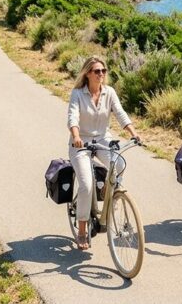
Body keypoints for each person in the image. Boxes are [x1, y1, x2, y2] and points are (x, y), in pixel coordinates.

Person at [67, 56, 140, 250]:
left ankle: (108, 192)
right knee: (85, 185)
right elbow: (72, 117)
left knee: (120, 164)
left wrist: (133, 133)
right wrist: (76, 136)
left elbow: (120, 113)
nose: (101, 74)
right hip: (80, 142)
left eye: (103, 71)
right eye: (97, 71)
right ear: (87, 74)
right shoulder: (77, 94)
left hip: (102, 139)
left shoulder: (109, 92)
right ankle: (82, 230)